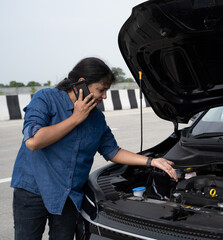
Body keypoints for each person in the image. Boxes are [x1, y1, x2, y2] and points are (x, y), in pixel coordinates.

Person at [11, 57, 178, 240]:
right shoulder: (46, 98)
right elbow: (34, 141)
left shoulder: (97, 117)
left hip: (69, 196)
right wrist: (76, 117)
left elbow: (112, 151)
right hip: (33, 191)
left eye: (107, 90)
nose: (104, 96)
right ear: (82, 83)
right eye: (101, 89)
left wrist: (151, 161)